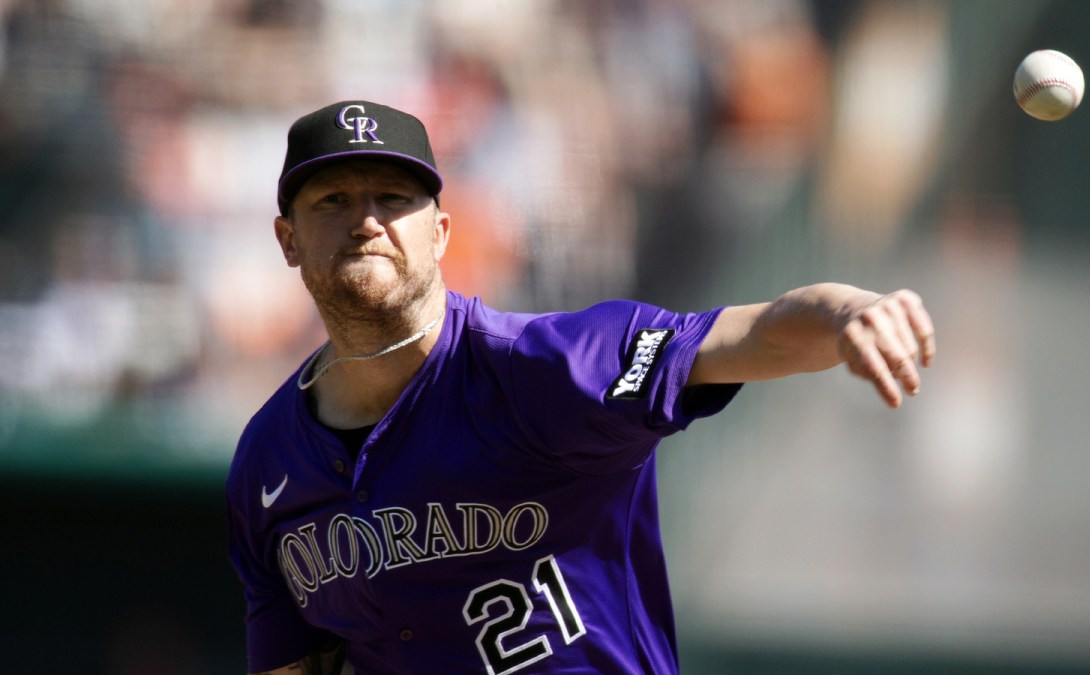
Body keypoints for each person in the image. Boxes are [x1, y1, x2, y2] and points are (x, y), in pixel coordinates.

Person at [225, 100, 936, 675]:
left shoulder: (548, 369)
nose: (368, 220)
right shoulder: (267, 459)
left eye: (393, 195)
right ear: (288, 239)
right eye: (333, 199)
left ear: (441, 232)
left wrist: (848, 311)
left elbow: (749, 335)